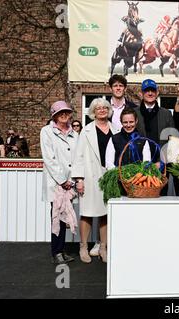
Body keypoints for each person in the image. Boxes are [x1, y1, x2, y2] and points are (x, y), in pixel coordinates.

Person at [72, 98, 118, 264]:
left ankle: (103, 248)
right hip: (90, 175)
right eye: (98, 108)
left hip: (109, 176)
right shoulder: (86, 131)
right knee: (87, 213)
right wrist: (79, 179)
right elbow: (78, 156)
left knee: (106, 212)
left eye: (105, 107)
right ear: (93, 112)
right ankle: (83, 247)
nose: (102, 110)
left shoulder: (116, 128)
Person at [40, 101, 77, 264]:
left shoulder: (74, 134)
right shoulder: (47, 131)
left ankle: (61, 250)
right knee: (56, 216)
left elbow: (77, 158)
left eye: (67, 112)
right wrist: (62, 180)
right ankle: (56, 252)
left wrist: (72, 180)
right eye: (60, 112)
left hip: (69, 183)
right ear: (54, 115)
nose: (64, 115)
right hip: (56, 183)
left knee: (65, 216)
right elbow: (49, 158)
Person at [135, 79, 175, 150]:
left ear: (157, 93)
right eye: (147, 91)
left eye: (153, 91)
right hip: (139, 157)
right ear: (141, 93)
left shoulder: (166, 114)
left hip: (161, 156)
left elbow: (172, 138)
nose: (150, 93)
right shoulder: (134, 113)